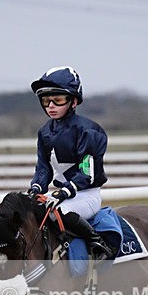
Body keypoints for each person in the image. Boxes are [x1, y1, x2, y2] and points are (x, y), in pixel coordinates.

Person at [27, 66, 114, 260]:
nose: (50, 105)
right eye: (45, 100)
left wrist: (65, 191)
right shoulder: (44, 133)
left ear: (73, 101)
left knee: (59, 212)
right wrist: (35, 188)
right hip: (61, 195)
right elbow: (43, 169)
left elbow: (86, 173)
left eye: (57, 100)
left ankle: (97, 243)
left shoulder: (89, 131)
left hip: (86, 195)